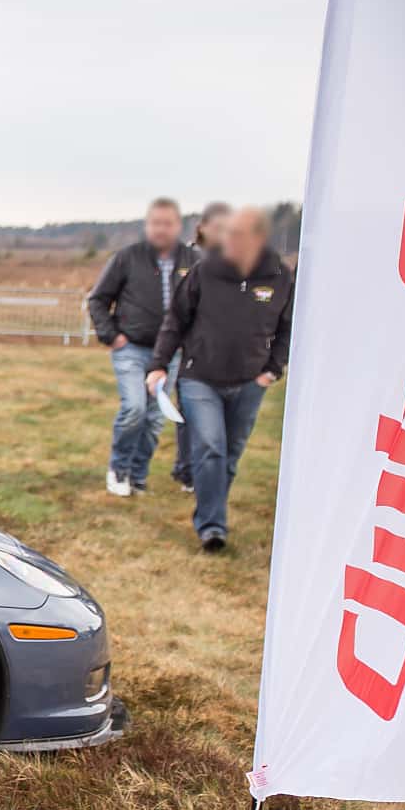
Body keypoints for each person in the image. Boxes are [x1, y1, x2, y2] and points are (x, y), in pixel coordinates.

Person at [147, 206, 295, 552]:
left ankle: (211, 508)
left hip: (250, 382)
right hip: (200, 377)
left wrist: (272, 369)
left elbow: (288, 327)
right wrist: (158, 364)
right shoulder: (204, 272)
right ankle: (212, 526)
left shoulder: (280, 277)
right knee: (210, 447)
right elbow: (176, 320)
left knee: (230, 454)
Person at [85, 197, 200, 497]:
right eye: (156, 223)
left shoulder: (193, 261)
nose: (162, 229)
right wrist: (112, 336)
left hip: (171, 354)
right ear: (147, 225)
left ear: (178, 225)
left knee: (154, 418)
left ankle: (137, 476)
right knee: (134, 408)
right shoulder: (127, 258)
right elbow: (97, 300)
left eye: (168, 223)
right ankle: (118, 470)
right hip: (132, 348)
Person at [169, 200, 234, 492]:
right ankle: (186, 470)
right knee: (187, 414)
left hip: (220, 351)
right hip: (186, 349)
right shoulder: (182, 259)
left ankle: (207, 472)